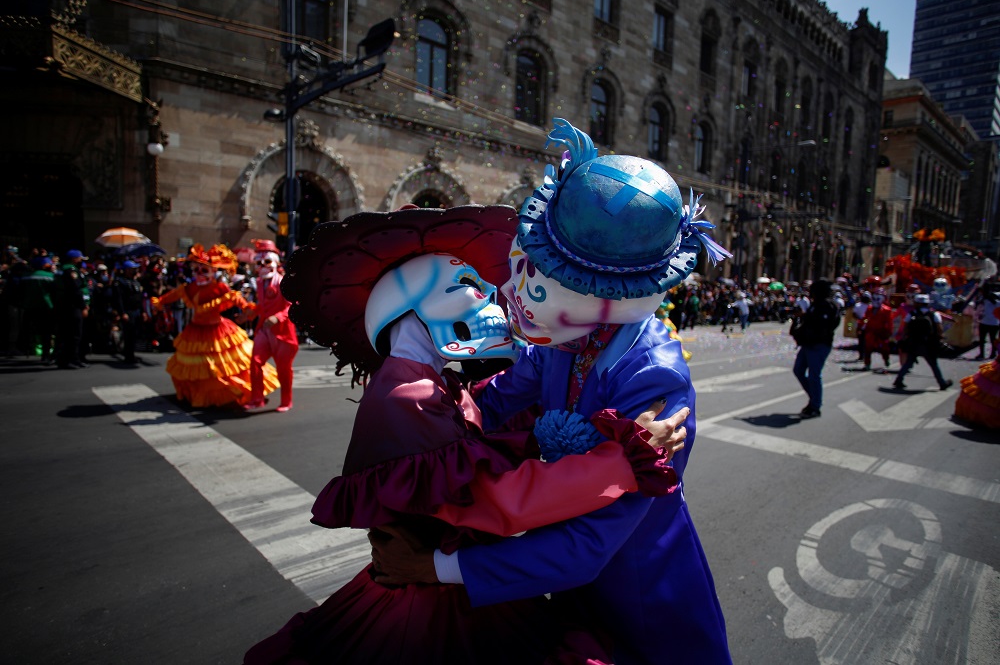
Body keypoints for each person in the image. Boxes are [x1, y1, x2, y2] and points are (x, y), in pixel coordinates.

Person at [245, 204, 686, 664]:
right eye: (467, 290)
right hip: (430, 605)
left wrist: (565, 429)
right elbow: (493, 497)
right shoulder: (407, 398)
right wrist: (619, 463)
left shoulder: (434, 384)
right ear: (413, 308)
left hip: (460, 588)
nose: (490, 301)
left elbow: (489, 440)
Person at [372, 119, 734, 664]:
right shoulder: (562, 339)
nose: (513, 293)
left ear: (611, 299)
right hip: (558, 572)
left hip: (634, 587)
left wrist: (437, 569)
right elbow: (492, 406)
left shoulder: (654, 382)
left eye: (537, 283)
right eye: (521, 266)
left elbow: (595, 539)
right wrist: (416, 418)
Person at [151, 243, 279, 408]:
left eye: (204, 270)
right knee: (198, 365)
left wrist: (248, 308)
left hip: (218, 330)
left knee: (221, 365)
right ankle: (200, 393)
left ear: (213, 272)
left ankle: (229, 391)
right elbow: (173, 295)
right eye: (196, 270)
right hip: (196, 330)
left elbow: (236, 299)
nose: (199, 274)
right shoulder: (189, 288)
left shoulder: (219, 288)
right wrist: (160, 302)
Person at [244, 240, 298, 412]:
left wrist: (277, 317)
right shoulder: (259, 283)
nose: (263, 266)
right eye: (259, 263)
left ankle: (286, 401)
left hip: (282, 332)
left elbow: (291, 305)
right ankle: (257, 398)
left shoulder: (283, 282)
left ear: (274, 262)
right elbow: (262, 305)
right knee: (255, 362)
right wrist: (249, 314)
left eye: (266, 262)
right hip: (264, 330)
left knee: (283, 369)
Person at [790, 278, 841, 418]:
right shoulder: (816, 304)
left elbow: (822, 325)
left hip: (819, 345)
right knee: (798, 370)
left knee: (814, 375)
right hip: (808, 343)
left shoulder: (828, 306)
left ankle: (815, 406)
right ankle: (814, 398)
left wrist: (807, 319)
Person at [893, 293, 953, 391]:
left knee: (908, 362)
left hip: (914, 342)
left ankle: (898, 380)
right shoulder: (934, 314)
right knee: (934, 364)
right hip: (929, 344)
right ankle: (942, 383)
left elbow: (905, 327)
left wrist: (904, 339)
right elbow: (939, 328)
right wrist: (940, 338)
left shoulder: (911, 314)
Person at [55, 249, 90, 369]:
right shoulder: (71, 270)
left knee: (67, 334)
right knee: (74, 334)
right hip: (72, 306)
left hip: (66, 306)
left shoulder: (63, 269)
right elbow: (75, 290)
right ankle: (72, 359)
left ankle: (67, 359)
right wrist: (83, 306)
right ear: (74, 259)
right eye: (80, 258)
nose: (81, 261)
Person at [20, 256, 56, 364]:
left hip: (28, 307)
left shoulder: (25, 277)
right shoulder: (50, 276)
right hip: (46, 307)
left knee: (30, 330)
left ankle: (28, 349)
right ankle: (46, 355)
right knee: (47, 332)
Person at [110, 260, 144, 363]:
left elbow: (139, 298)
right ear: (127, 270)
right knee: (128, 335)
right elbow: (118, 299)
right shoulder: (120, 282)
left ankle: (132, 353)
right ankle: (128, 355)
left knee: (134, 334)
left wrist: (143, 311)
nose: (135, 270)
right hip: (128, 311)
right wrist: (122, 313)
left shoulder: (136, 281)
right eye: (133, 269)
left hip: (137, 311)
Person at [860, 287, 893, 372]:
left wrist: (889, 331)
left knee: (884, 348)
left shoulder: (886, 310)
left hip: (881, 331)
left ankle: (886, 359)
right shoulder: (869, 308)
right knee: (868, 348)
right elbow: (865, 318)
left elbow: (889, 322)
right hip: (870, 331)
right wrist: (862, 325)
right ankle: (867, 364)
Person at [973, 282, 999, 360]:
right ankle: (987, 354)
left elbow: (993, 301)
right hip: (987, 321)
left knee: (990, 339)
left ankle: (990, 354)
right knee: (987, 339)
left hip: (992, 322)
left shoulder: (991, 297)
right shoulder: (984, 298)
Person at [852, 291, 872, 364]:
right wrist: (861, 319)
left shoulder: (870, 307)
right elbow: (854, 314)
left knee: (865, 342)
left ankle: (865, 356)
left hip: (867, 327)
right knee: (861, 342)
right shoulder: (858, 305)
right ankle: (861, 356)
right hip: (861, 326)